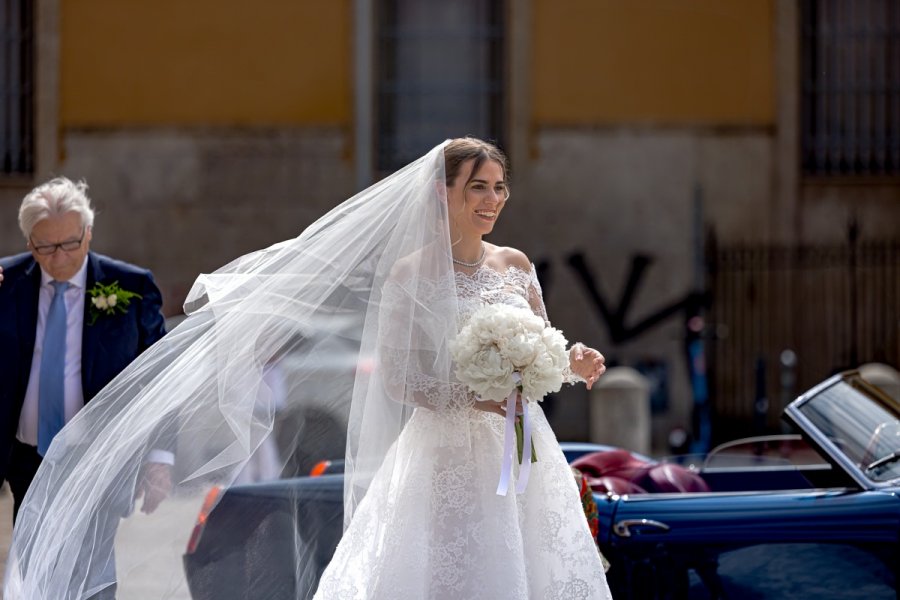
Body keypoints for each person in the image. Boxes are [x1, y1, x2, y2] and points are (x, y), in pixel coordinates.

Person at [5, 140, 611, 599]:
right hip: (447, 452)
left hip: (523, 450)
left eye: (501, 187)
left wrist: (570, 360)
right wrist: (469, 396)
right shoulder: (410, 274)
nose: (493, 201)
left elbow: (543, 343)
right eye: (479, 187)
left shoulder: (517, 264)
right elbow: (400, 379)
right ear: (443, 192)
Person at [0, 177, 171, 598]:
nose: (59, 258)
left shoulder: (130, 288)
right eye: (45, 248)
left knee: (92, 569)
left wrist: (159, 456)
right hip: (26, 456)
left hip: (98, 455)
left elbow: (158, 377)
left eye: (70, 244)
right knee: (34, 566)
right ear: (29, 241)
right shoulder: (8, 282)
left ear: (88, 233)